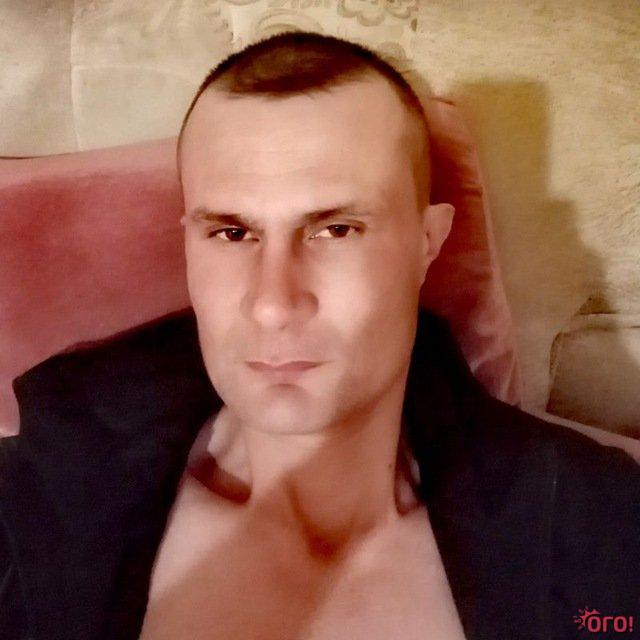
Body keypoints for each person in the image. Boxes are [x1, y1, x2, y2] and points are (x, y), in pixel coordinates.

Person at [0, 31, 638, 640]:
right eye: (232, 232)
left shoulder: (606, 526)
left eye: (336, 230)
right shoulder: (23, 505)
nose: (273, 306)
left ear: (427, 242)